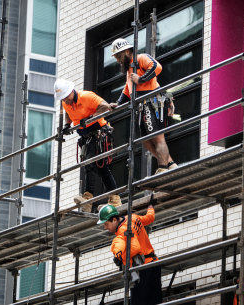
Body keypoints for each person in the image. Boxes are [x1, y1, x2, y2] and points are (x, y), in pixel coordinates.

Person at [111, 38, 178, 174]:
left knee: (158, 137)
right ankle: (170, 163)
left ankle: (163, 167)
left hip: (153, 101)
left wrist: (141, 79)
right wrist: (118, 104)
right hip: (143, 105)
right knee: (146, 140)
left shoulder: (141, 58)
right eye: (116, 57)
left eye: (119, 56)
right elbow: (128, 90)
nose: (118, 60)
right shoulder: (130, 70)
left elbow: (157, 67)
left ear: (127, 51)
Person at [54, 79, 121, 212]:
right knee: (92, 167)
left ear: (72, 91)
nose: (65, 100)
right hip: (86, 136)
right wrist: (67, 124)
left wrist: (92, 117)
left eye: (66, 97)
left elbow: (105, 106)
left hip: (98, 132)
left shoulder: (87, 96)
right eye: (63, 98)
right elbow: (68, 112)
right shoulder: (65, 102)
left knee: (97, 166)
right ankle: (97, 199)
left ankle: (94, 198)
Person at [98, 204, 162, 305]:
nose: (105, 227)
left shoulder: (123, 231)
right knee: (155, 301)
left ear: (114, 220)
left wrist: (120, 257)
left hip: (143, 269)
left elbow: (135, 248)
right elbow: (150, 218)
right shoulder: (132, 218)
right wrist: (150, 208)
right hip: (154, 264)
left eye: (106, 224)